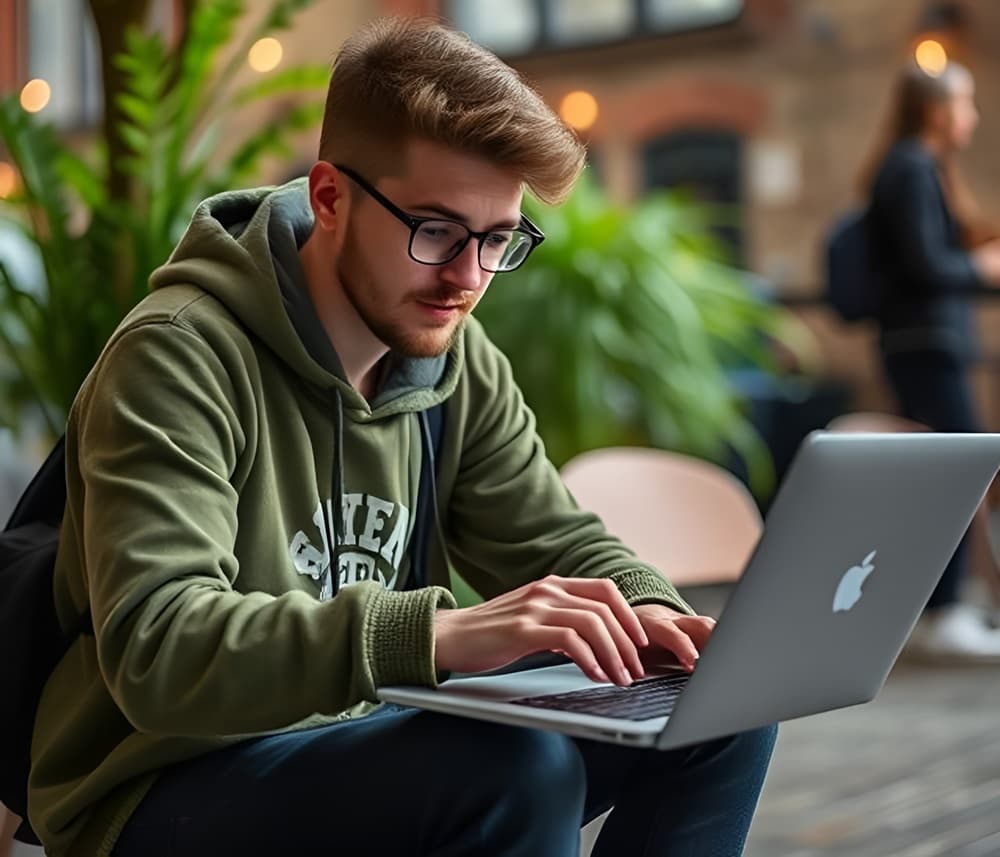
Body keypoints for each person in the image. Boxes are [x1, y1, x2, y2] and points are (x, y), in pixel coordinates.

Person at [28, 17, 776, 857]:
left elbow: (551, 537)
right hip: (161, 780)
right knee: (517, 771)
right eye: (436, 230)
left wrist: (660, 616)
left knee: (717, 710)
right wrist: (435, 634)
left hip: (362, 738)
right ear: (329, 198)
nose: (465, 277)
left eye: (498, 240)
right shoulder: (179, 354)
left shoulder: (454, 358)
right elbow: (159, 648)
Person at [862, 59, 1000, 661]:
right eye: (966, 104)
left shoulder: (916, 167)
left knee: (949, 472)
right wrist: (981, 268)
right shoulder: (913, 166)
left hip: (924, 344)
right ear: (940, 110)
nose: (973, 116)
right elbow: (924, 265)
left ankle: (943, 609)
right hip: (922, 345)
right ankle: (943, 612)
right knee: (955, 473)